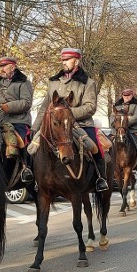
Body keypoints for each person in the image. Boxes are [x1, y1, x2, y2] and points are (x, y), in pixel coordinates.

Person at [31, 48, 108, 192]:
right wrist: (35, 127)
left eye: (67, 59)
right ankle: (34, 179)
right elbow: (44, 108)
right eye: (63, 60)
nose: (64, 62)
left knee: (94, 146)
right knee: (33, 147)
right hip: (55, 125)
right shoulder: (54, 82)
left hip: (80, 123)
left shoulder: (88, 83)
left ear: (76, 61)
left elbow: (91, 107)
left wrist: (67, 114)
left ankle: (100, 178)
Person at [0, 56, 34, 182]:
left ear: (12, 67)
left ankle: (25, 167)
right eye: (0, 67)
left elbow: (27, 102)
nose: (1, 69)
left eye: (4, 66)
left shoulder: (24, 82)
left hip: (18, 120)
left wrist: (8, 107)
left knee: (20, 140)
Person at [109, 88, 137, 159]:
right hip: (117, 131)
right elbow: (112, 118)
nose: (126, 97)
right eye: (124, 95)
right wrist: (117, 124)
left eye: (128, 95)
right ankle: (107, 159)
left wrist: (124, 123)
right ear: (122, 95)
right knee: (107, 141)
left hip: (134, 130)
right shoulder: (116, 106)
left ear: (132, 95)